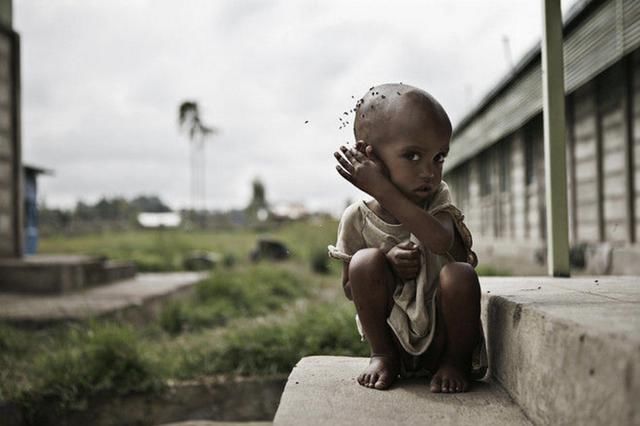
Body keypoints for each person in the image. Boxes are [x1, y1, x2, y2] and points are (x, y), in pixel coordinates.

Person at [328, 83, 486, 393]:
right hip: (394, 339)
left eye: (439, 158)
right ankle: (382, 357)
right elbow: (350, 289)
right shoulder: (356, 219)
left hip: (444, 338)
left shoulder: (439, 198)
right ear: (369, 156)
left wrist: (383, 190)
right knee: (365, 262)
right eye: (412, 156)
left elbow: (440, 241)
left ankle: (455, 362)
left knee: (460, 275)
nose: (429, 172)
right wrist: (386, 264)